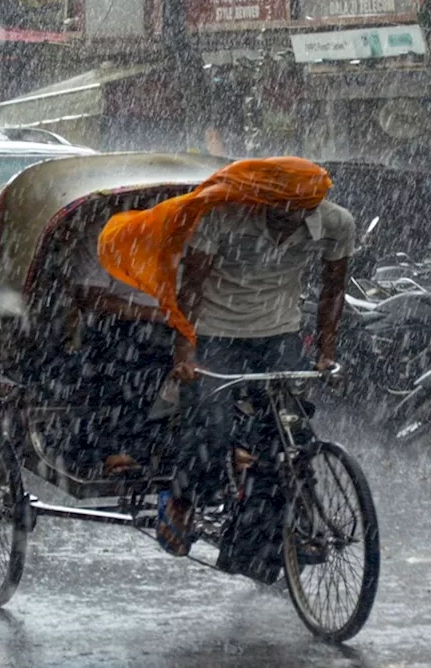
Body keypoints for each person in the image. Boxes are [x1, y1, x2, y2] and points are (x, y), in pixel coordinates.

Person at [98, 157, 353, 557]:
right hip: (216, 330)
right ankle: (183, 500)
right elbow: (193, 287)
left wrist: (326, 353)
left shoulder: (337, 224)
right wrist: (185, 350)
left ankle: (284, 523)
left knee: (289, 428)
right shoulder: (223, 217)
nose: (286, 219)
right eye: (278, 210)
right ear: (263, 201)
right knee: (211, 424)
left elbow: (333, 291)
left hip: (279, 330)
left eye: (298, 212)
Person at [60, 215, 173, 475]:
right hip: (122, 324)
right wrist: (154, 315)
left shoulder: (183, 225)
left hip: (184, 319)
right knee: (137, 355)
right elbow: (91, 298)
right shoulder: (102, 233)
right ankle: (123, 447)